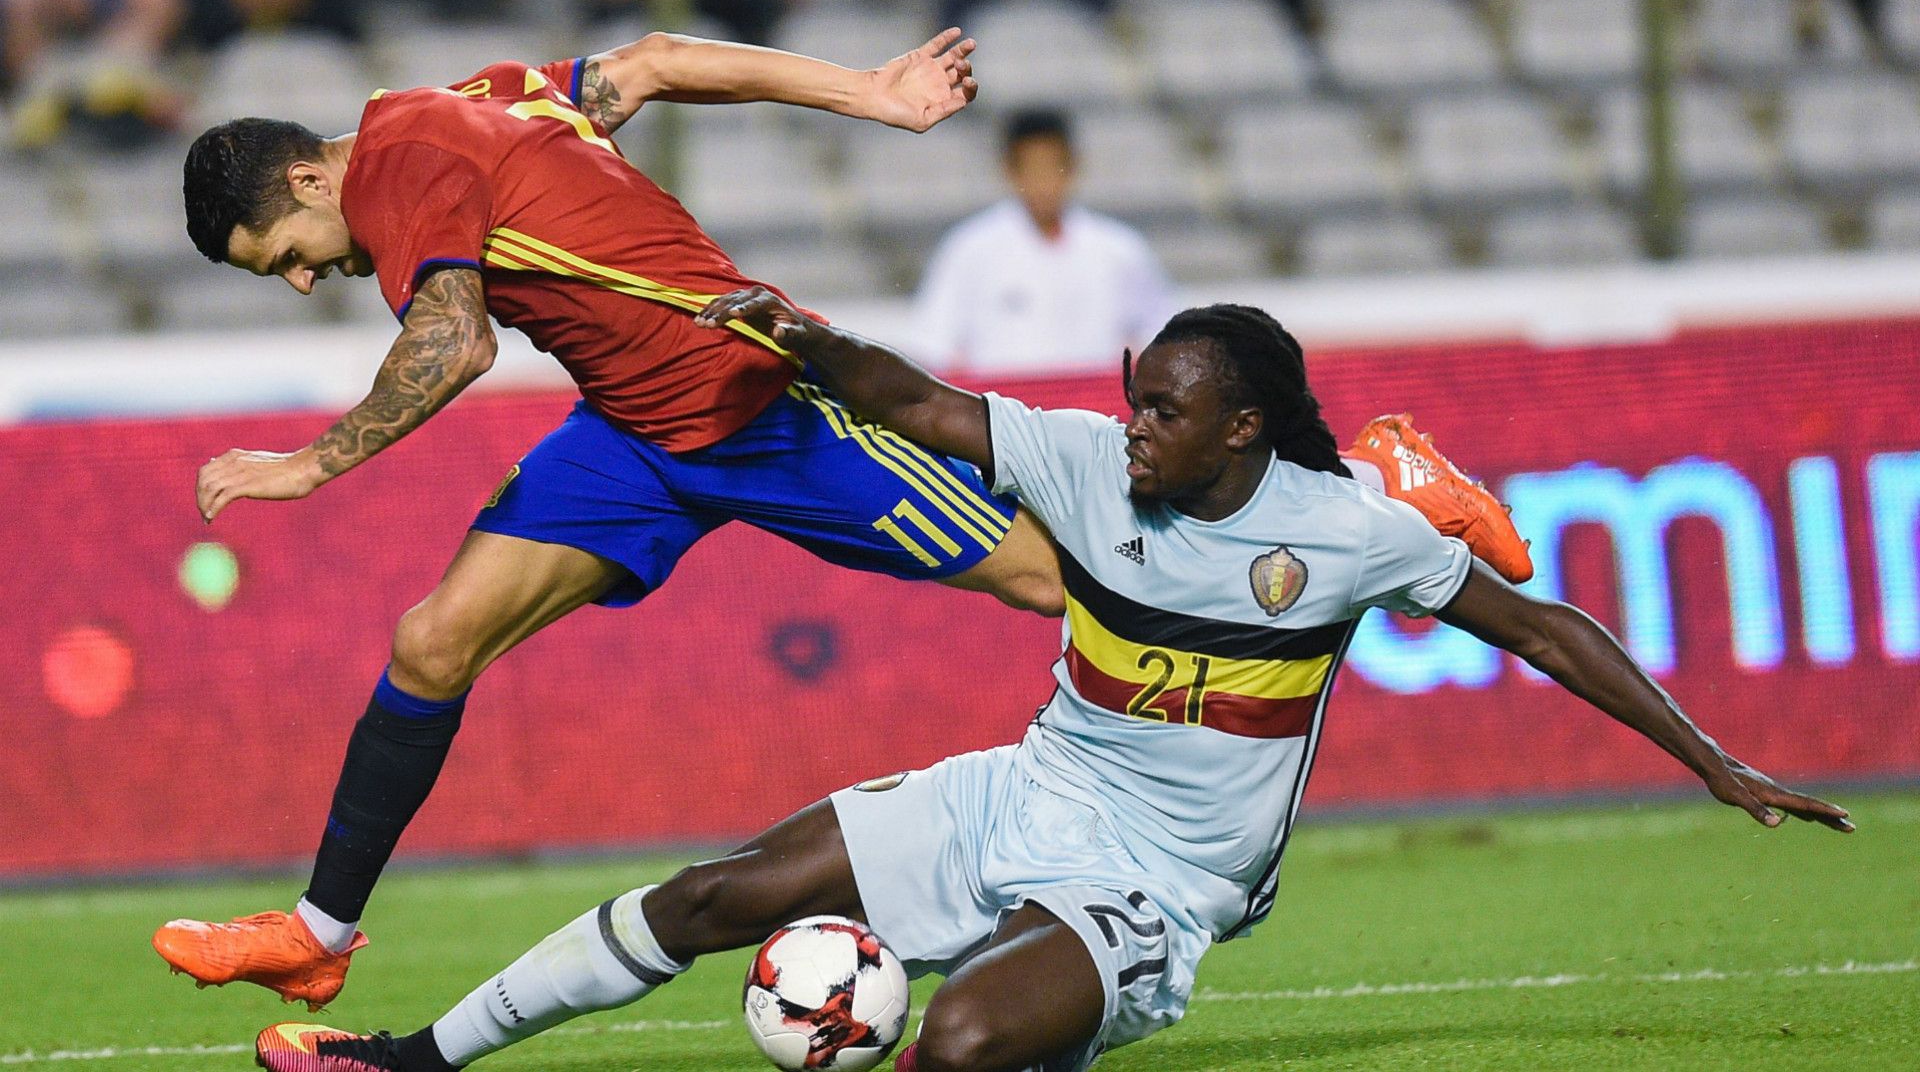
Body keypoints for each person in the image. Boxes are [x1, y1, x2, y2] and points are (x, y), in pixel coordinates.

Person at [152, 25, 1530, 1013]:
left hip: (767, 406)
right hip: (632, 435)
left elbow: (452, 342)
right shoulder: (469, 104)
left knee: (1063, 581)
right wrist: (866, 93)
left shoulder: (397, 168)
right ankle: (321, 935)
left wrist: (307, 465)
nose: (303, 283)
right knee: (432, 642)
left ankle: (1375, 496)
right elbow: (655, 62)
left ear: (311, 181)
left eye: (285, 262)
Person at [248, 288, 1851, 1072]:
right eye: (1134, 399)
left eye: (1166, 412)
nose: (1133, 425)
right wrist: (798, 339)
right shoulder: (1087, 460)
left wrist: (1713, 759)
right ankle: (410, 1061)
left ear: (1241, 431)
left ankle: (1415, 469)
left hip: (1167, 878)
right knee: (718, 894)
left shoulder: (1340, 539)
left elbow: (1546, 628)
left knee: (953, 1045)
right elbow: (917, 399)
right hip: (1031, 786)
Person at [908, 107, 1175, 374]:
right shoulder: (970, 249)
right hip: (1001, 396)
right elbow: (934, 344)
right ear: (1010, 170)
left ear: (1073, 167)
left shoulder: (1119, 249)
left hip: (1093, 397)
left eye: (1053, 167)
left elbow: (1160, 333)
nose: (1044, 182)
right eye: (1033, 169)